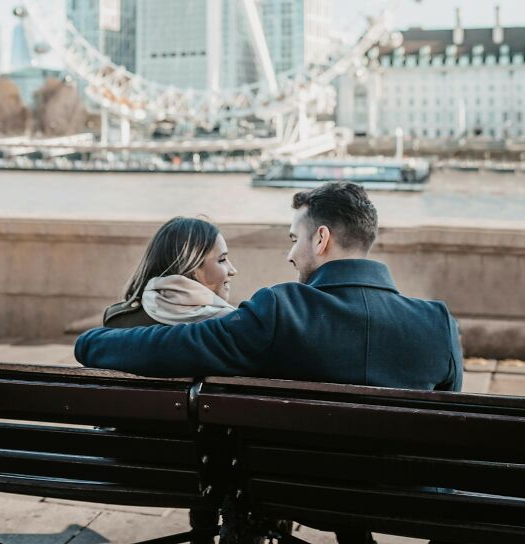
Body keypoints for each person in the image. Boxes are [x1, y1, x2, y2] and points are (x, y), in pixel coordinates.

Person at [76, 182, 463, 544]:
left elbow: (174, 345)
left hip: (295, 491)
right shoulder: (437, 323)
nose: (290, 253)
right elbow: (447, 428)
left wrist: (93, 342)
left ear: (322, 238)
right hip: (403, 498)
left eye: (295, 239)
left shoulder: (281, 311)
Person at [102, 216, 237, 544]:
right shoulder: (227, 328)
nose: (232, 269)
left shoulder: (118, 320)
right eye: (221, 260)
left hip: (128, 462)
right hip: (210, 472)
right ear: (192, 271)